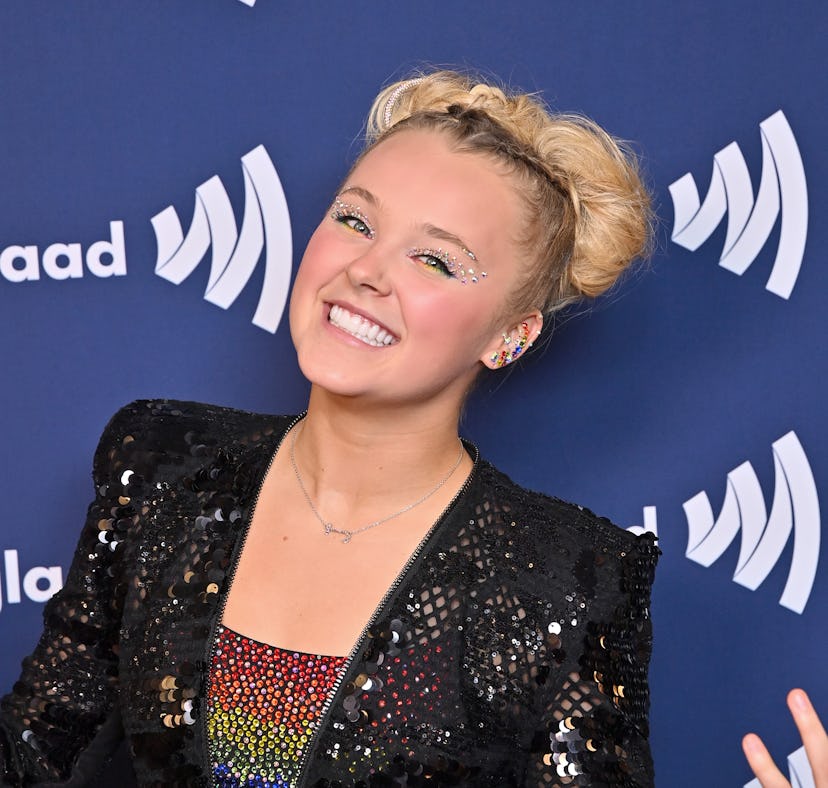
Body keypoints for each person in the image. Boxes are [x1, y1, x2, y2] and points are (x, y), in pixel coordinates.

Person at [0, 70, 660, 787]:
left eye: (434, 260)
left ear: (510, 334)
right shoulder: (160, 464)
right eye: (354, 220)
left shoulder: (566, 581)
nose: (367, 271)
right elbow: (37, 754)